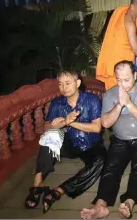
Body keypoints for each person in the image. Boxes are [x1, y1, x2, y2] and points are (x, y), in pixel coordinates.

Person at [81, 60, 137, 219]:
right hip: (119, 139)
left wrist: (129, 104)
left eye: (127, 79)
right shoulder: (110, 94)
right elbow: (105, 123)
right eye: (119, 79)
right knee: (111, 168)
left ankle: (129, 202)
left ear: (135, 75)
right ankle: (101, 205)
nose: (122, 84)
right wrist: (119, 105)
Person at [24, 70, 107, 214]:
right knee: (50, 135)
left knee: (101, 160)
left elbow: (97, 128)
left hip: (90, 144)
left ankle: (59, 191)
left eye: (68, 83)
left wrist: (68, 122)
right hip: (68, 144)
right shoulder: (57, 103)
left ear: (78, 83)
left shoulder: (92, 100)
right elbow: (45, 127)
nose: (64, 87)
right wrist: (57, 125)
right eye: (61, 84)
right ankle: (38, 184)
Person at [96, 0, 137, 91]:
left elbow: (120, 33)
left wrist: (136, 40)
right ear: (132, 6)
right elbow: (135, 49)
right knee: (118, 98)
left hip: (118, 60)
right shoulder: (130, 22)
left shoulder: (123, 11)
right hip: (119, 64)